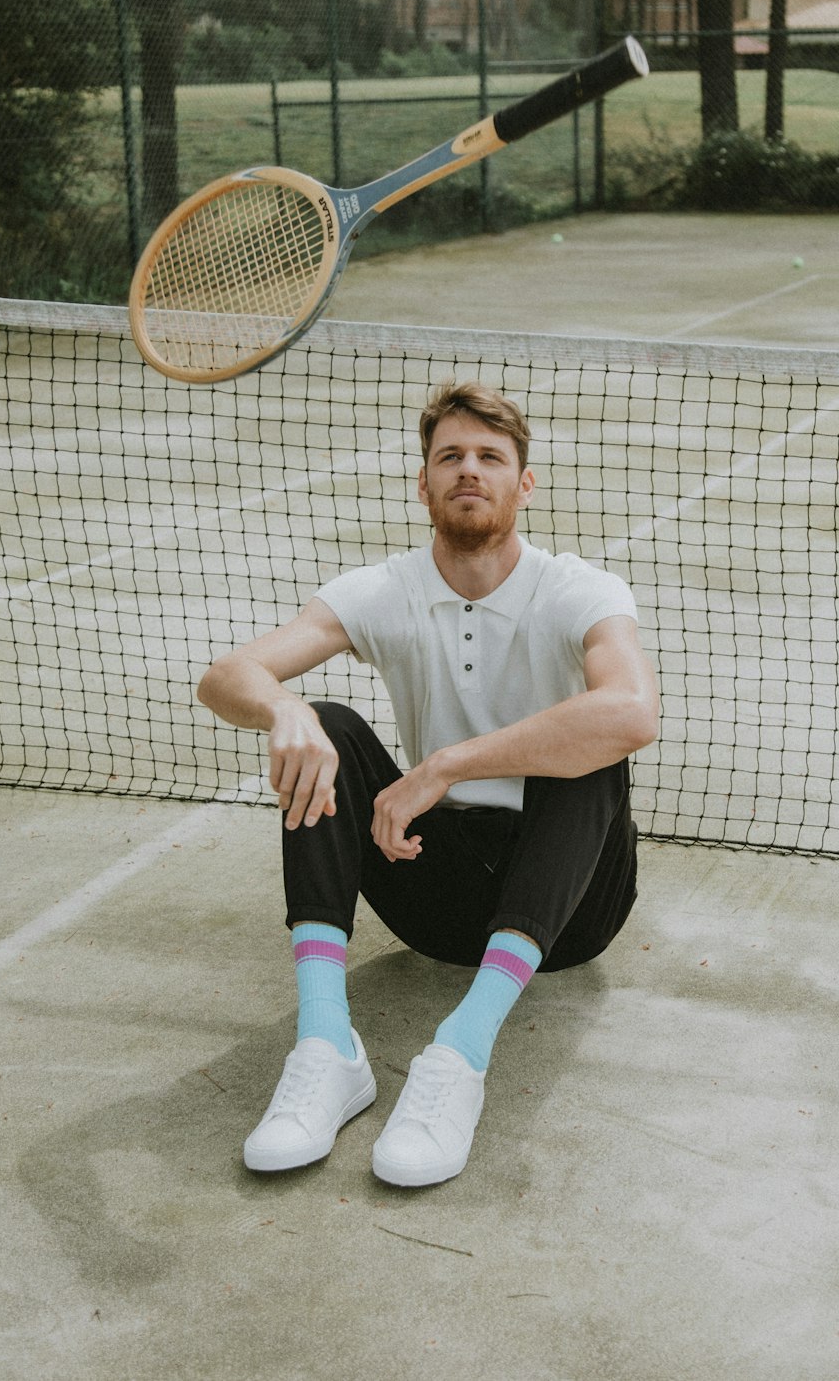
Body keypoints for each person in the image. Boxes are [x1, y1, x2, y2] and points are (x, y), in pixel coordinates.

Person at [197, 381, 659, 1186]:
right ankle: (326, 1045)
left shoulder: (578, 588)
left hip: (572, 910)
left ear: (525, 483)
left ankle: (459, 1053)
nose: (469, 470)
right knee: (329, 725)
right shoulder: (389, 589)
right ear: (424, 483)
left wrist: (446, 763)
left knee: (591, 744)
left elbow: (631, 711)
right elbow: (227, 675)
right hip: (437, 903)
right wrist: (283, 710)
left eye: (490, 457)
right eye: (450, 456)